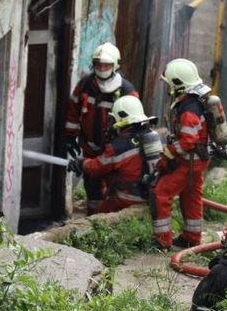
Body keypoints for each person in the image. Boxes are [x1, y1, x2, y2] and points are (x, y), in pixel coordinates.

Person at [64, 42, 138, 214]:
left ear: (115, 65)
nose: (102, 67)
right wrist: (70, 137)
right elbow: (73, 112)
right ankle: (92, 222)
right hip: (89, 147)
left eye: (107, 64)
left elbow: (134, 121)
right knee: (93, 188)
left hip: (114, 150)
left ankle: (108, 221)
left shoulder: (126, 90)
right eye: (99, 64)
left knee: (114, 189)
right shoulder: (84, 85)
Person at [150, 58, 210, 250]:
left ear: (178, 84)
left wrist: (168, 154)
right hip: (197, 161)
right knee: (191, 196)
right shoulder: (194, 102)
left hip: (188, 162)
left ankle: (162, 240)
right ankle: (191, 237)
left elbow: (188, 141)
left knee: (161, 194)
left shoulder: (189, 110)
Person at [80, 96, 162, 214]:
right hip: (150, 194)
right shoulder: (148, 135)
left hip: (128, 198)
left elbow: (97, 167)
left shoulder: (119, 146)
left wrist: (82, 163)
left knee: (99, 216)